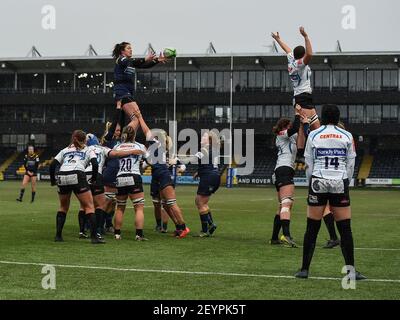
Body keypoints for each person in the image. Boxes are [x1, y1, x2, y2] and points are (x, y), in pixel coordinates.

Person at [295, 104, 366, 280]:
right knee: (345, 229)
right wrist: (345, 182)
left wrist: (313, 181)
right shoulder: (347, 135)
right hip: (339, 182)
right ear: (337, 117)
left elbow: (309, 163)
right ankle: (351, 272)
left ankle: (304, 269)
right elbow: (351, 164)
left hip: (318, 181)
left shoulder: (314, 134)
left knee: (312, 227)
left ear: (323, 118)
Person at [134, 109, 190, 238]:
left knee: (171, 202)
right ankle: (178, 227)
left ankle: (183, 227)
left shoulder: (158, 144)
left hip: (163, 174)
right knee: (165, 203)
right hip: (159, 175)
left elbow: (146, 131)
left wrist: (140, 118)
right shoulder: (154, 149)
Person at [77, 133, 146, 239]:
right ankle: (99, 230)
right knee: (137, 207)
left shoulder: (83, 149)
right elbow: (116, 154)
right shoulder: (103, 148)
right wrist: (132, 151)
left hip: (84, 175)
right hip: (106, 174)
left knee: (85, 206)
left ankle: (84, 231)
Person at [271, 27, 318, 161]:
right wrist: (306, 37)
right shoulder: (299, 64)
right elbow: (310, 54)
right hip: (302, 97)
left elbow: (287, 49)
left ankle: (312, 148)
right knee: (304, 127)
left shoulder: (292, 58)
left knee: (316, 127)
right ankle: (301, 153)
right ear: (302, 57)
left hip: (305, 97)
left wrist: (278, 39)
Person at [49, 130, 104, 244]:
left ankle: (58, 236)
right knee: (89, 206)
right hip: (77, 174)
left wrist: (53, 180)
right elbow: (95, 164)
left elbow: (53, 164)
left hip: (62, 175)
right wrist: (93, 178)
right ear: (85, 140)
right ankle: (94, 237)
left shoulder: (65, 150)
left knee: (63, 207)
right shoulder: (89, 149)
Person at [270, 105, 308, 247]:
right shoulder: (282, 134)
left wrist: (304, 125)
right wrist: (297, 114)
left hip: (282, 170)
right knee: (287, 203)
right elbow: (293, 129)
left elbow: (301, 146)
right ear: (284, 127)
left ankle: (274, 238)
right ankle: (286, 235)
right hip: (284, 169)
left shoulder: (289, 138)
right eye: (290, 125)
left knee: (282, 206)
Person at [112, 42, 166, 132]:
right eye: (128, 48)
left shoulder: (129, 62)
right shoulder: (121, 59)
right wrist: (145, 59)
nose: (131, 50)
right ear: (122, 51)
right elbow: (132, 62)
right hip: (122, 93)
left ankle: (127, 141)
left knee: (136, 119)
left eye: (131, 48)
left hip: (126, 93)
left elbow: (144, 65)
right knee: (136, 118)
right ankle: (126, 141)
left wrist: (157, 60)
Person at [113, 126, 147, 241]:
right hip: (134, 175)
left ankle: (117, 234)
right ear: (135, 134)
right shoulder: (140, 146)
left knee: (120, 207)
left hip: (120, 176)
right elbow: (148, 159)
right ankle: (139, 235)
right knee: (138, 208)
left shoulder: (117, 146)